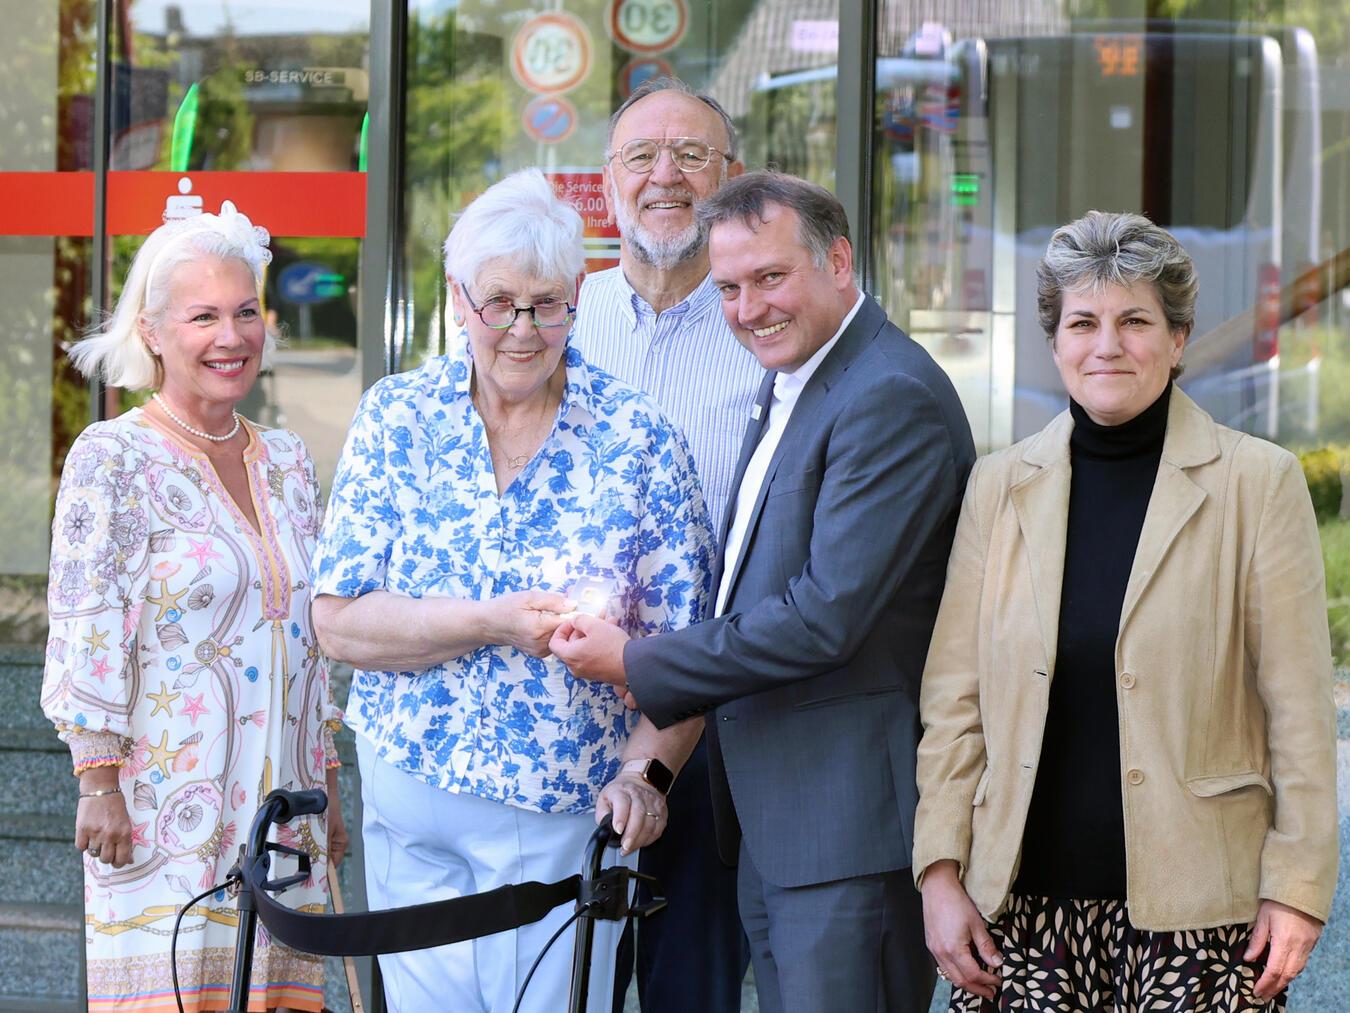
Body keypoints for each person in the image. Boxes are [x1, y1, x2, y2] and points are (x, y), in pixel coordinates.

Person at [553, 170, 973, 1013]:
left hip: (848, 829)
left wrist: (637, 659)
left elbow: (824, 618)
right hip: (786, 828)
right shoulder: (803, 379)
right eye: (731, 288)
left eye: (771, 278)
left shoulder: (886, 393)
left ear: (840, 261)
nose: (748, 309)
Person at [913, 210, 1339, 1012]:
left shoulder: (1257, 483)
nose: (1106, 343)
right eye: (1083, 321)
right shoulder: (999, 486)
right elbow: (953, 704)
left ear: (1178, 340)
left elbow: (1300, 713)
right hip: (1020, 916)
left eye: (1135, 319)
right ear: (1056, 341)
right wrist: (940, 871)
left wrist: (1299, 885)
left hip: (1204, 915)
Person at [309, 168, 713, 1013]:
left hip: (565, 817)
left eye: (548, 304)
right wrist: (492, 621)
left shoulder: (639, 439)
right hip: (409, 803)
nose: (523, 330)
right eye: (499, 303)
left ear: (578, 297)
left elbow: (689, 657)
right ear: (458, 301)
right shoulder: (397, 417)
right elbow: (338, 622)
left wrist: (646, 775)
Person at [41, 202, 346, 1012]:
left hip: (285, 815)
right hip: (162, 811)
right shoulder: (113, 455)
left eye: (246, 312)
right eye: (204, 315)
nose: (231, 335)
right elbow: (85, 621)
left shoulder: (285, 459)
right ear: (152, 331)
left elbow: (309, 639)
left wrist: (330, 787)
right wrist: (96, 782)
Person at [571, 75, 760, 1013]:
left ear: (731, 176)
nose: (665, 177)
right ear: (608, 182)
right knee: (569, 973)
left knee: (693, 980)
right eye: (641, 156)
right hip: (569, 713)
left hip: (713, 711)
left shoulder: (763, 328)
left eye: (692, 155)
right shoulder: (560, 324)